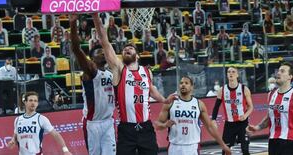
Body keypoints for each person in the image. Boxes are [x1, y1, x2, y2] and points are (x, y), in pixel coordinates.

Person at [92, 13, 176, 155]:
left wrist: (164, 100)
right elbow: (105, 42)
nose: (127, 49)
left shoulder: (146, 72)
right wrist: (96, 17)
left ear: (137, 56)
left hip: (146, 127)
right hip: (127, 129)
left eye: (130, 49)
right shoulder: (119, 69)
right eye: (125, 49)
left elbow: (152, 90)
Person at [70, 14, 116, 155]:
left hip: (108, 121)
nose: (103, 53)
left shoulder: (111, 73)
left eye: (103, 52)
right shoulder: (91, 71)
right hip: (93, 124)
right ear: (92, 58)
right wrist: (73, 24)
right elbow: (76, 49)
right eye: (99, 52)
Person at [155, 76, 231, 155]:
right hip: (175, 146)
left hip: (192, 146)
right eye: (181, 83)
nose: (183, 85)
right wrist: (165, 125)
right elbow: (157, 125)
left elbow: (210, 127)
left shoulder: (199, 104)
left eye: (186, 83)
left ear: (192, 87)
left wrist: (223, 145)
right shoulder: (171, 102)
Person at [247, 62, 293, 155]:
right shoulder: (271, 94)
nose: (278, 73)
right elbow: (269, 117)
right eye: (278, 71)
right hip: (273, 141)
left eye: (282, 71)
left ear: (290, 76)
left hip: (291, 141)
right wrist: (257, 127)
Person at [7, 91, 72, 155]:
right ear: (25, 102)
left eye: (35, 101)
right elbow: (16, 134)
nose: (33, 103)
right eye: (31, 100)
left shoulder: (41, 119)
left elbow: (56, 134)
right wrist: (13, 140)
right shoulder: (18, 119)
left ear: (37, 103)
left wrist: (65, 150)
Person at [211, 66, 254, 155]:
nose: (231, 73)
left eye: (233, 72)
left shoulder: (244, 89)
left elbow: (251, 107)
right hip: (229, 124)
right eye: (229, 72)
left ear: (237, 75)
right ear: (227, 75)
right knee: (225, 150)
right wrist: (213, 120)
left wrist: (245, 116)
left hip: (242, 123)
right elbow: (216, 107)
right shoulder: (222, 90)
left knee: (245, 149)